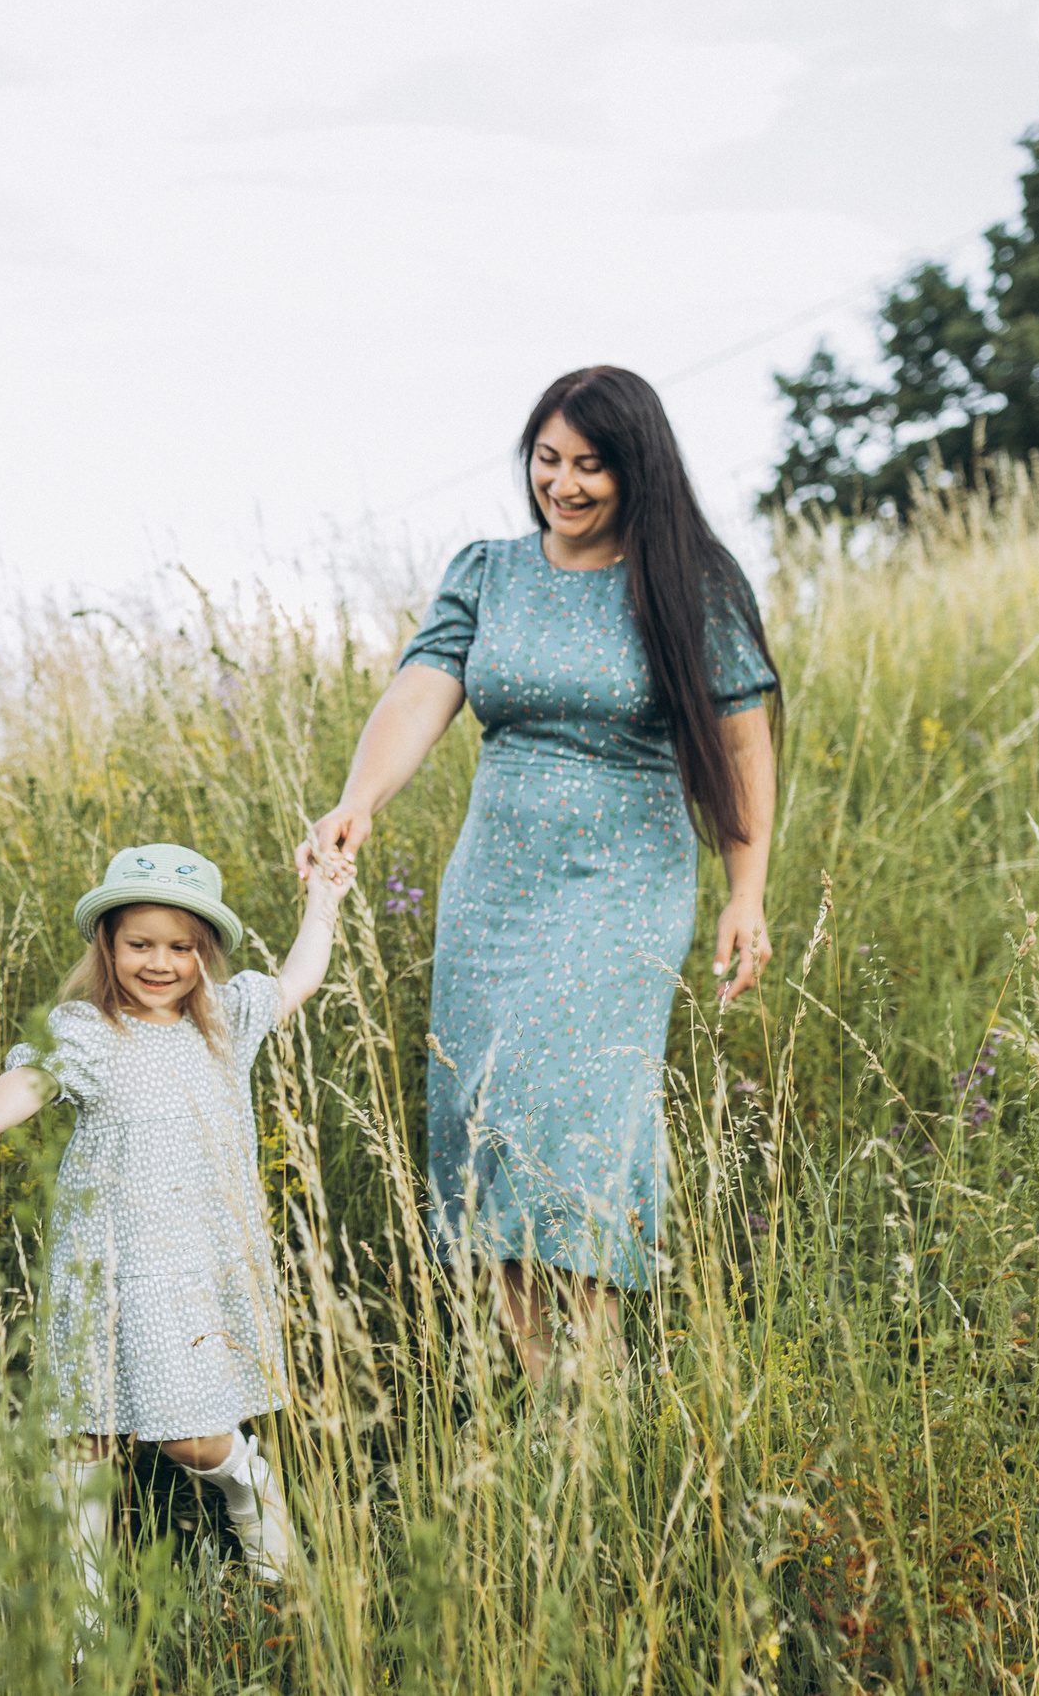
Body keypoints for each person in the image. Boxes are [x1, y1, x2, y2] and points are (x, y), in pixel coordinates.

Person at [299, 365, 779, 1381]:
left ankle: (592, 1381)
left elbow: (742, 747)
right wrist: (358, 801)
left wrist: (746, 891)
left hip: (622, 884)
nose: (562, 485)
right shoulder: (488, 570)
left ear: (635, 469)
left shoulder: (691, 583)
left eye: (589, 466)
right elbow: (421, 692)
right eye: (547, 460)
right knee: (494, 1112)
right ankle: (535, 1378)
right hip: (496, 889)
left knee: (579, 1114)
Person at [0, 843, 352, 1602]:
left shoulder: (225, 1019)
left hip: (188, 1266)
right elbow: (26, 1082)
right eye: (141, 944)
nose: (161, 962)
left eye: (181, 946)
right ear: (108, 945)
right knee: (81, 1439)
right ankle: (84, 1616)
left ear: (204, 951)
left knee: (190, 1436)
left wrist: (324, 899)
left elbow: (299, 976)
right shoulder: (86, 1029)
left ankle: (249, 1489)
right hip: (103, 1262)